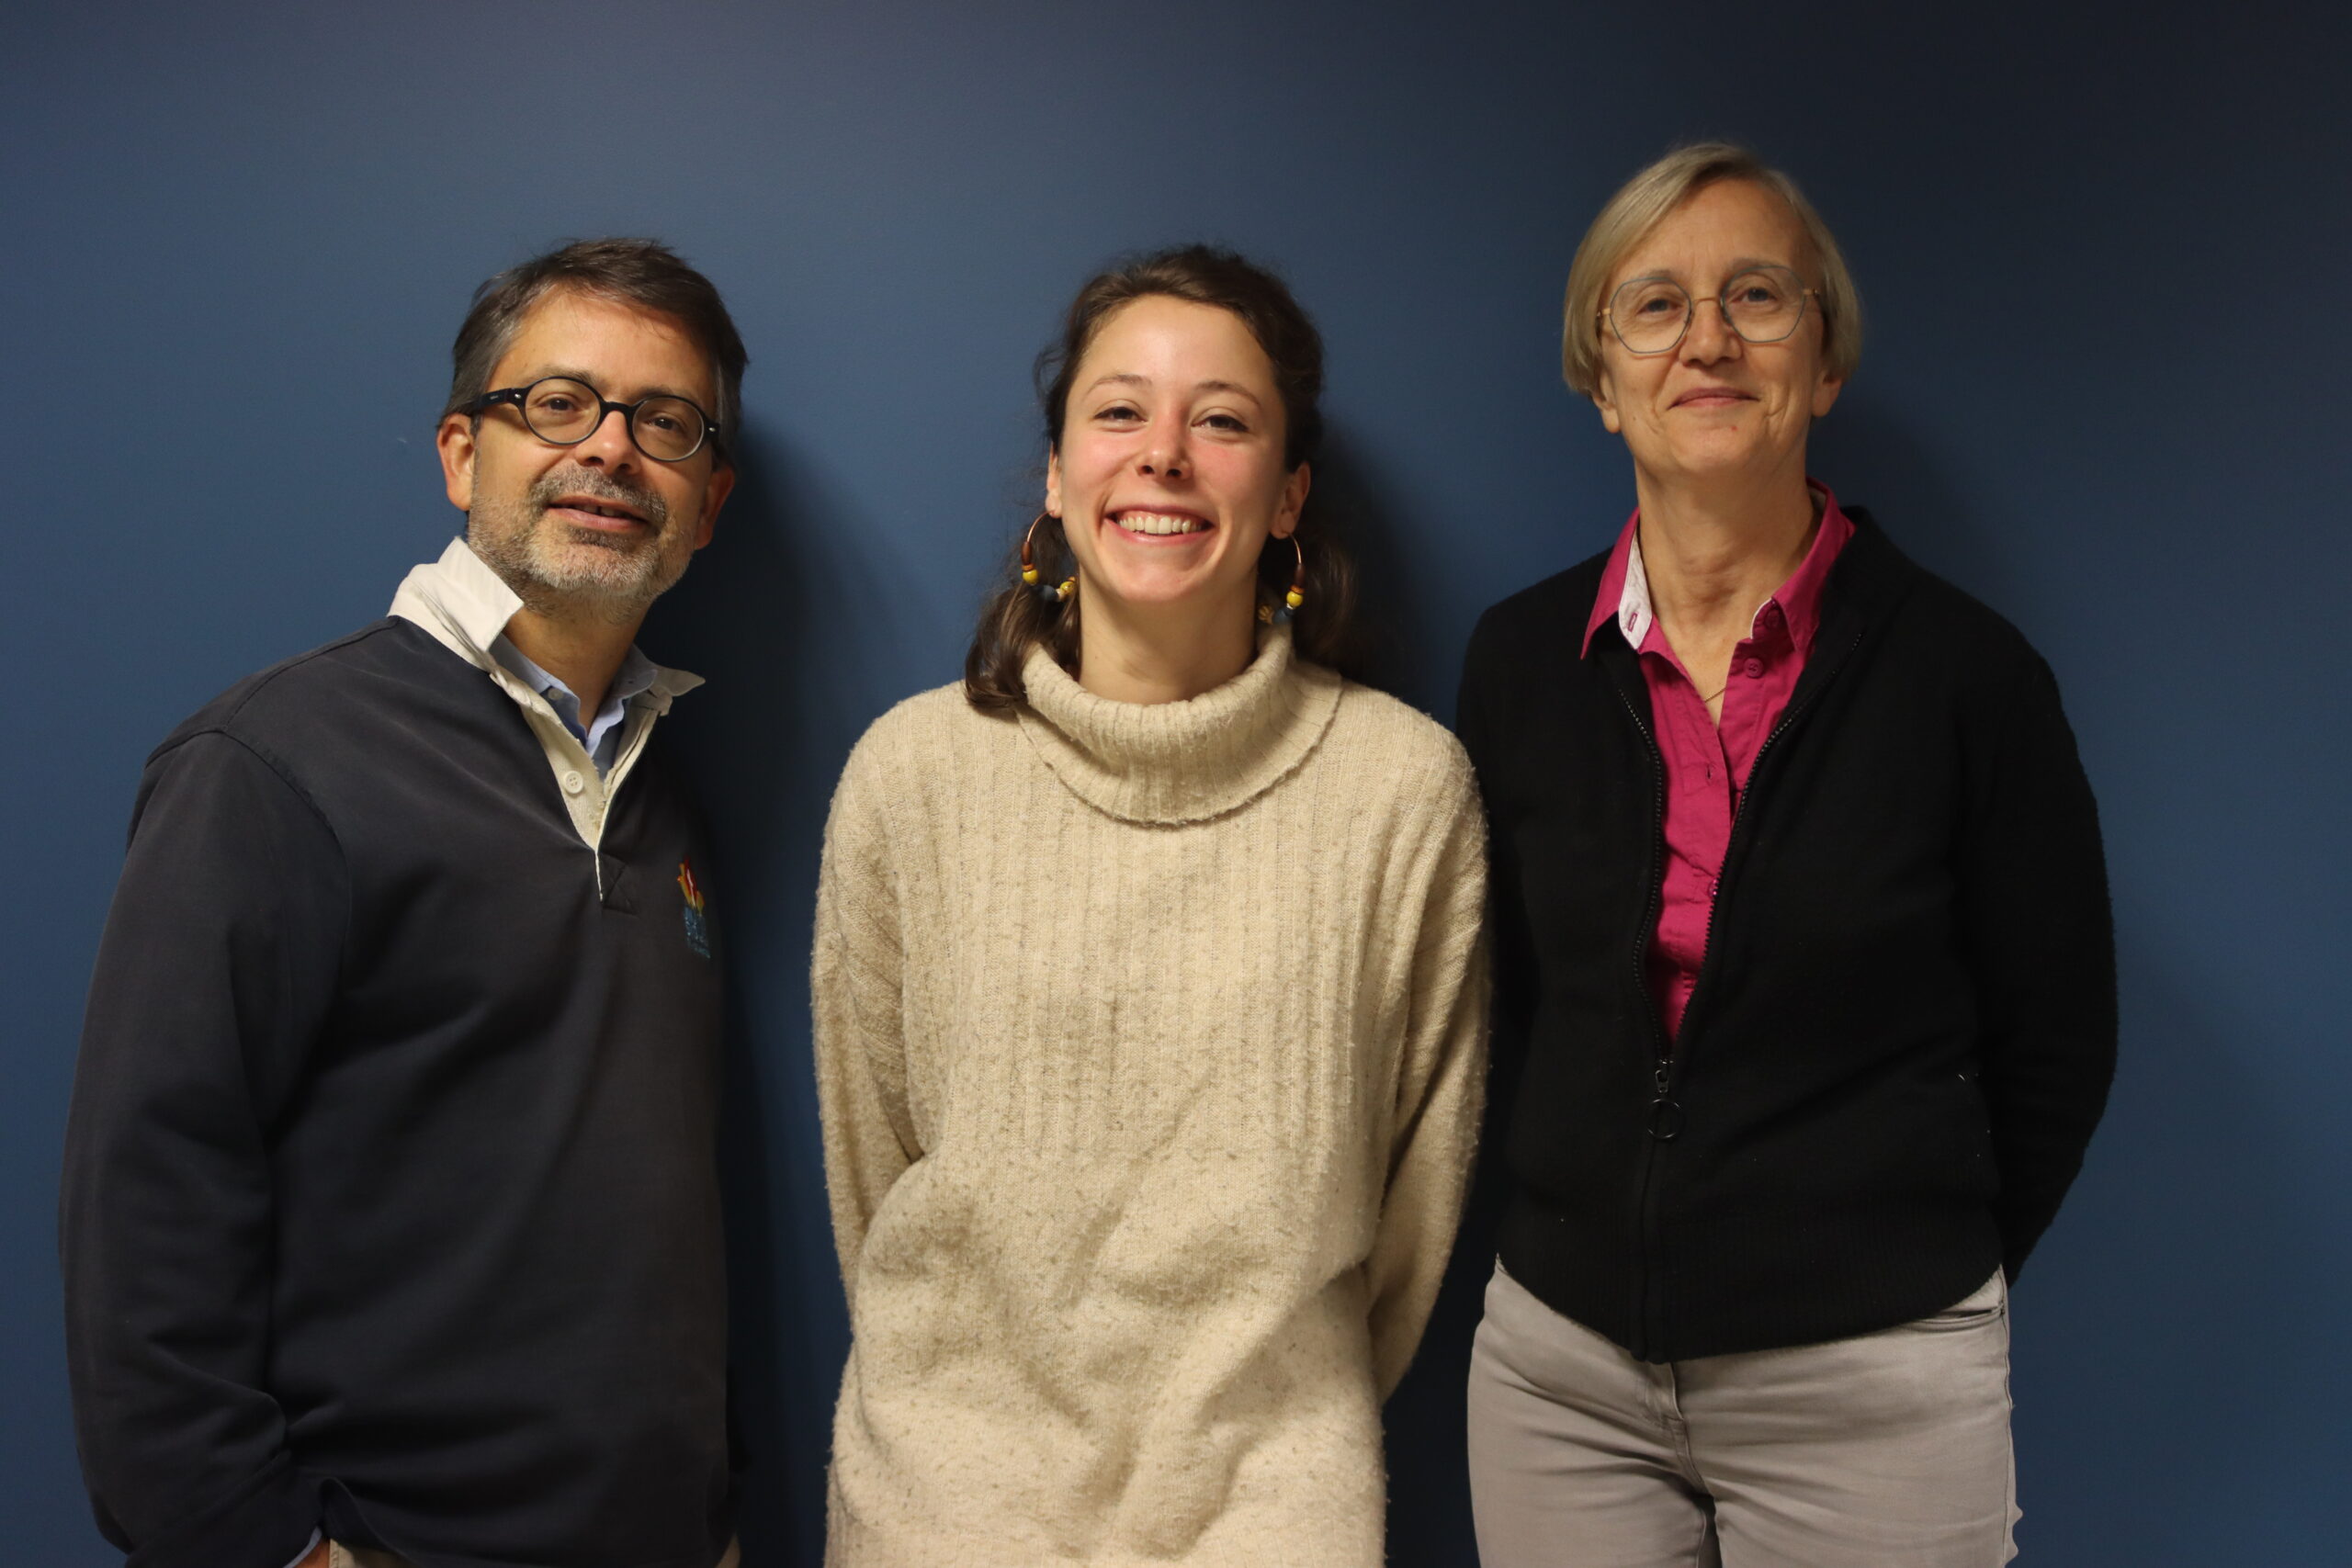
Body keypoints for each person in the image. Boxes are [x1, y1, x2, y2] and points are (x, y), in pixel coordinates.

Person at [1456, 144, 2116, 1566]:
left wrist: (1908, 1275)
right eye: (1656, 305)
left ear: (1822, 365)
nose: (1708, 338)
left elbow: (2058, 1037)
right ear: (1599, 373)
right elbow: (1507, 1003)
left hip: (1873, 1385)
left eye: (1758, 296)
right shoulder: (1520, 664)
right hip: (1561, 1380)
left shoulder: (1968, 678)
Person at [61, 239, 747, 1568]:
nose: (609, 449)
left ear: (707, 503)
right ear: (457, 454)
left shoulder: (669, 794)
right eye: (557, 403)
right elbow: (145, 1222)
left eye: (663, 423)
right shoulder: (272, 765)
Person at [812, 244, 1488, 1565]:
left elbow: (1414, 1221)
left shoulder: (1404, 795)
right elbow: (872, 1177)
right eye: (1118, 412)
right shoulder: (912, 776)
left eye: (1223, 420)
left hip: (1277, 1520)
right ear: (1058, 479)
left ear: (1288, 493)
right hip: (934, 1515)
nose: (1164, 453)